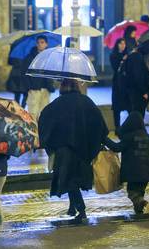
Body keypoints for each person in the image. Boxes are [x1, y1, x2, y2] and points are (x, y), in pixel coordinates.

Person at [38, 79, 108, 221]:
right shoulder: (86, 102)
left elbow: (44, 121)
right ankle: (72, 208)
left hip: (64, 152)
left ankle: (81, 211)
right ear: (77, 87)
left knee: (69, 180)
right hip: (83, 150)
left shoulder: (56, 105)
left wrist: (49, 144)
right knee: (73, 179)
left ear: (62, 88)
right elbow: (99, 124)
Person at [104, 112, 149, 214]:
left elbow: (116, 148)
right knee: (139, 192)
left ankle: (143, 203)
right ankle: (139, 212)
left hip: (133, 172)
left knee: (132, 193)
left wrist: (104, 139)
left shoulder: (129, 137)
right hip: (147, 172)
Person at [24, 35, 55, 121]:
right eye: (38, 43)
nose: (40, 44)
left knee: (45, 111)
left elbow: (52, 71)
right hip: (34, 88)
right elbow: (24, 73)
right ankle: (34, 131)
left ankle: (43, 131)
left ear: (46, 44)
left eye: (42, 42)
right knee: (33, 112)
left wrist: (51, 84)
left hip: (46, 88)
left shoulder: (50, 57)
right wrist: (29, 87)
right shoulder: (30, 57)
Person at [124, 40, 149, 118]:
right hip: (138, 92)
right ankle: (137, 129)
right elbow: (138, 76)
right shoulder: (137, 58)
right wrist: (144, 92)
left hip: (132, 90)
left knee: (134, 113)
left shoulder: (132, 56)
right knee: (139, 114)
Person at [110, 38, 128, 130]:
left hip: (126, 83)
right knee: (117, 107)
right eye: (121, 43)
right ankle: (117, 127)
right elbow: (115, 68)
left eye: (124, 43)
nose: (123, 45)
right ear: (117, 44)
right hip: (117, 83)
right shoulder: (114, 55)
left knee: (128, 106)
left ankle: (128, 127)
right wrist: (122, 59)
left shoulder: (127, 54)